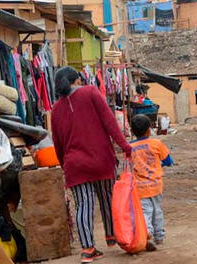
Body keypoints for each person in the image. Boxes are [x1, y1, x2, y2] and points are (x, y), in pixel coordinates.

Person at [51, 66, 132, 263]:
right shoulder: (90, 92)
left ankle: (88, 249)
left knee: (83, 205)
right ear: (77, 80)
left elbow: (58, 143)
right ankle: (113, 236)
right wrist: (125, 147)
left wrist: (65, 166)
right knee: (107, 197)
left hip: (74, 164)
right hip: (101, 158)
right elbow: (109, 122)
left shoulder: (55, 109)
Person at [129, 114, 174, 251]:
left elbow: (128, 165)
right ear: (149, 130)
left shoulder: (130, 147)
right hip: (156, 185)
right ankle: (159, 237)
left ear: (132, 131)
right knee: (157, 211)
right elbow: (168, 161)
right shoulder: (156, 144)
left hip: (140, 187)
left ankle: (146, 233)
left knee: (145, 212)